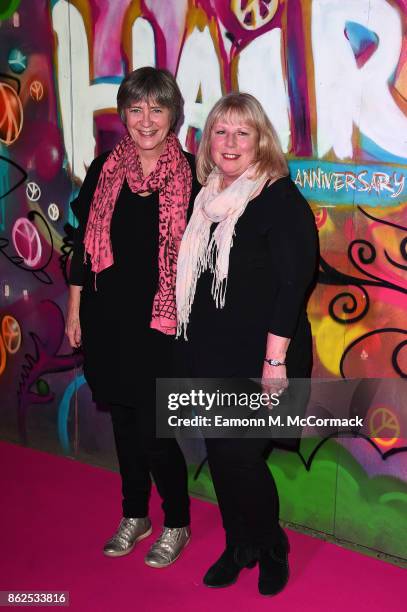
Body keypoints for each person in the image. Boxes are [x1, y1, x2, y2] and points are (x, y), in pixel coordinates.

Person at [176, 93, 318, 595]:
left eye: (243, 132)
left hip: (265, 355)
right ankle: (239, 545)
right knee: (219, 454)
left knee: (240, 456)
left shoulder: (279, 198)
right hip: (213, 351)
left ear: (261, 140)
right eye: (221, 131)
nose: (231, 142)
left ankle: (271, 542)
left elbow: (293, 283)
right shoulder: (207, 197)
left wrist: (274, 361)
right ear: (208, 140)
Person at [66, 67, 199, 568]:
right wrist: (76, 309)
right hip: (107, 318)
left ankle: (178, 522)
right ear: (123, 113)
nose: (146, 120)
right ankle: (134, 514)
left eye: (157, 109)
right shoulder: (105, 168)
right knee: (124, 421)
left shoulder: (193, 173)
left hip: (161, 325)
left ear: (173, 115)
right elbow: (82, 245)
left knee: (154, 429)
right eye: (136, 109)